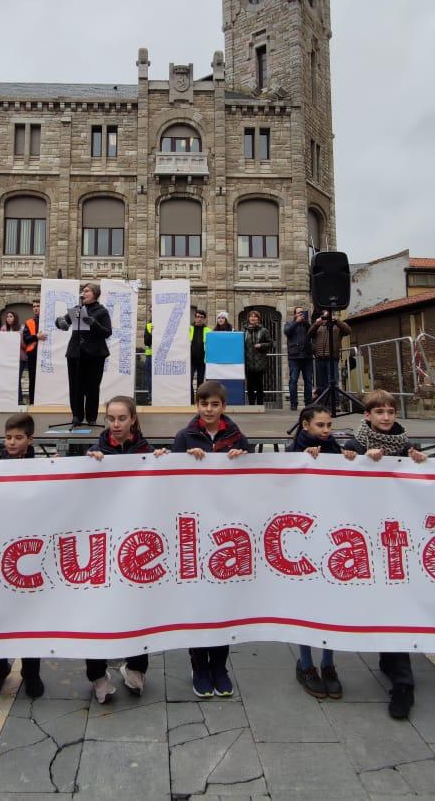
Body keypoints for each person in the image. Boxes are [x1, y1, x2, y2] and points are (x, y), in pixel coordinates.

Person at [342, 390, 427, 720]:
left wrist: (428, 461)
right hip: (365, 537)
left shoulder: (407, 445)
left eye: (391, 411)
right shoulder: (355, 445)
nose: (387, 416)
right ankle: (393, 662)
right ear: (368, 416)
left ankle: (402, 678)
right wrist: (357, 460)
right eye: (380, 411)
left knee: (398, 601)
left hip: (401, 536)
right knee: (384, 602)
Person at [168, 381, 250, 697]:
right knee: (197, 602)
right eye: (203, 404)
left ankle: (219, 664)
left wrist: (241, 456)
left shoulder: (237, 436)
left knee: (223, 602)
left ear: (223, 407)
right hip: (195, 531)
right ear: (197, 406)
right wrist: (183, 459)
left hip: (226, 532)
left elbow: (250, 478)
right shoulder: (184, 437)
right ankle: (199, 664)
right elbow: (170, 481)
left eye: (214, 404)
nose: (208, 409)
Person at [84, 396, 153, 702]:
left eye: (122, 418)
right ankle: (97, 676)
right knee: (96, 609)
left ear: (133, 420)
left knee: (138, 607)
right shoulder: (94, 453)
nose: (116, 424)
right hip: (102, 544)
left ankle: (136, 669)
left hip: (136, 544)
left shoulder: (147, 452)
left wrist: (163, 463)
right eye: (111, 418)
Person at [290, 406, 357, 698]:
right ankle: (305, 664)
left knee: (332, 602)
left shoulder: (337, 450)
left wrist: (350, 461)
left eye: (329, 424)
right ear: (306, 425)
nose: (326, 430)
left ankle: (329, 663)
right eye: (320, 424)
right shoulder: (294, 451)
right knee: (306, 602)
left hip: (332, 537)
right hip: (304, 539)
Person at [0, 414, 44, 699]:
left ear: (30, 439)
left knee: (31, 614)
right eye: (8, 437)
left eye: (18, 438)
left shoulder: (45, 465)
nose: (12, 442)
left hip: (31, 551)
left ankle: (32, 672)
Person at [55, 283, 113, 427]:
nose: (84, 293)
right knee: (76, 386)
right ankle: (77, 416)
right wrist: (59, 321)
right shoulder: (78, 309)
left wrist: (93, 323)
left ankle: (91, 417)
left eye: (87, 291)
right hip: (76, 353)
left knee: (92, 386)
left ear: (95, 293)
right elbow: (63, 322)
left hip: (95, 354)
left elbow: (107, 332)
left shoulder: (102, 311)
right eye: (83, 291)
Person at [308, 308, 349, 403]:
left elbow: (348, 331)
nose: (326, 318)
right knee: (321, 383)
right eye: (324, 315)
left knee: (333, 381)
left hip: (332, 357)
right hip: (319, 357)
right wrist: (315, 324)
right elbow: (309, 334)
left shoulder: (337, 326)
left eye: (328, 315)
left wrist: (337, 321)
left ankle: (335, 403)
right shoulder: (318, 325)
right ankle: (323, 402)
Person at [283, 306, 314, 412]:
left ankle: (308, 404)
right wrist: (296, 322)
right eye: (298, 313)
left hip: (307, 356)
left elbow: (312, 332)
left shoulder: (307, 324)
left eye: (302, 312)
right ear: (294, 314)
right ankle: (293, 404)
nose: (301, 314)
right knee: (293, 381)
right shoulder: (289, 324)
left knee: (308, 381)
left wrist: (304, 322)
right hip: (294, 357)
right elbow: (287, 332)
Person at [242, 311, 272, 406]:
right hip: (248, 362)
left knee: (259, 384)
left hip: (260, 362)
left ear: (258, 319)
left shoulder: (264, 330)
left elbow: (270, 343)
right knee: (250, 385)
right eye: (251, 316)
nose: (253, 318)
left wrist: (261, 345)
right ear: (249, 318)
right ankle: (251, 405)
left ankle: (260, 405)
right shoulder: (244, 331)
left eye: (255, 317)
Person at [21, 301, 46, 406]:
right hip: (33, 353)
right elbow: (26, 339)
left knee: (45, 378)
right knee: (32, 378)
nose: (36, 308)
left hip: (46, 352)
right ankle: (32, 402)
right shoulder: (29, 322)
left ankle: (44, 401)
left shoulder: (47, 321)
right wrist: (36, 337)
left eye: (38, 306)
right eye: (34, 306)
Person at [188, 309, 210, 401]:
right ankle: (191, 401)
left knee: (201, 383)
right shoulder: (189, 328)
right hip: (190, 360)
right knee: (188, 381)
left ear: (204, 319)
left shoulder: (208, 330)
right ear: (195, 317)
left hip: (202, 361)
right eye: (197, 317)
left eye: (201, 317)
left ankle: (199, 401)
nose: (199, 319)